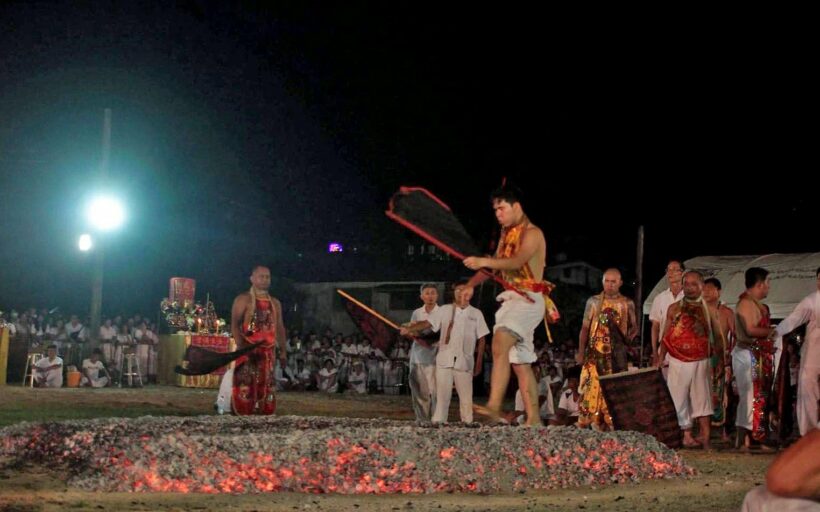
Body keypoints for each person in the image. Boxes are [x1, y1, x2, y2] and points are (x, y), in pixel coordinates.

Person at [463, 184, 549, 426]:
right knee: (521, 364)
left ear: (516, 206)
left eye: (501, 209)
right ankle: (534, 420)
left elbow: (516, 261)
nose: (498, 214)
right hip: (512, 299)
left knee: (500, 341)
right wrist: (471, 284)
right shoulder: (505, 234)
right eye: (495, 210)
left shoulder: (533, 233)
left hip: (528, 299)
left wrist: (481, 259)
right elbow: (495, 266)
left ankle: (493, 406)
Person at [406, 281, 488, 424]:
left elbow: (482, 339)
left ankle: (467, 422)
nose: (460, 293)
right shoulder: (444, 310)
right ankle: (439, 421)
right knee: (442, 394)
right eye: (457, 291)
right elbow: (427, 324)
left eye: (463, 291)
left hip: (465, 360)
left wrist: (479, 361)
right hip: (445, 359)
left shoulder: (476, 313)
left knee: (466, 396)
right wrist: (410, 328)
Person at [659, 270, 724, 449]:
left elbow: (718, 338)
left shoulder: (709, 309)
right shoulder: (674, 308)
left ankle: (705, 439)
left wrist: (721, 361)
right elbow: (666, 336)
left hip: (702, 360)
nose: (689, 288)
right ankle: (685, 436)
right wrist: (659, 357)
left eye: (694, 284)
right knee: (677, 399)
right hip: (677, 360)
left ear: (702, 286)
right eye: (686, 284)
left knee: (703, 400)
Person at [216, 265, 287, 415]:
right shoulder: (243, 300)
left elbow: (280, 328)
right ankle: (241, 411)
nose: (265, 280)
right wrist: (242, 346)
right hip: (248, 349)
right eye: (261, 276)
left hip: (268, 352)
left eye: (267, 277)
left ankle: (263, 412)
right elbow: (234, 325)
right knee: (244, 383)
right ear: (252, 279)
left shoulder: (275, 303)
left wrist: (283, 351)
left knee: (266, 384)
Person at [575, 268, 638, 430]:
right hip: (594, 355)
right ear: (602, 282)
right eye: (607, 281)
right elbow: (584, 329)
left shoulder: (627, 303)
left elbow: (634, 328)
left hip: (617, 357)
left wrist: (627, 340)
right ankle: (589, 422)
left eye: (613, 281)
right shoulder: (593, 302)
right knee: (591, 388)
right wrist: (581, 352)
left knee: (614, 390)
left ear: (620, 283)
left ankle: (611, 424)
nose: (609, 285)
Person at [734, 267, 778, 449]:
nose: (769, 287)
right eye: (767, 283)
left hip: (756, 354)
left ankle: (753, 437)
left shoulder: (754, 303)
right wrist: (774, 331)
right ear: (760, 284)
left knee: (757, 396)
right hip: (748, 354)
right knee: (751, 396)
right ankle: (748, 438)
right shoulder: (746, 303)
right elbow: (750, 330)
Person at [774, 267, 820, 436]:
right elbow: (794, 319)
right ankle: (809, 432)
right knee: (808, 388)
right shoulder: (813, 300)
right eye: (819, 279)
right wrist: (776, 332)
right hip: (813, 352)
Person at [405, 283, 441, 421]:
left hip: (436, 358)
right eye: (427, 293)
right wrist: (408, 331)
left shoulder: (442, 312)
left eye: (433, 293)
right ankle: (422, 421)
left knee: (437, 393)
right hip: (418, 357)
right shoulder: (417, 313)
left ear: (437, 295)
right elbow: (414, 333)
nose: (430, 296)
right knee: (420, 392)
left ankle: (437, 420)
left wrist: (418, 332)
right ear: (421, 296)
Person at [650, 260, 685, 372]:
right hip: (665, 350)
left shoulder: (689, 297)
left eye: (675, 269)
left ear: (682, 273)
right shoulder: (660, 298)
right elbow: (655, 327)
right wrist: (655, 352)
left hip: (685, 349)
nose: (671, 272)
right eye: (668, 270)